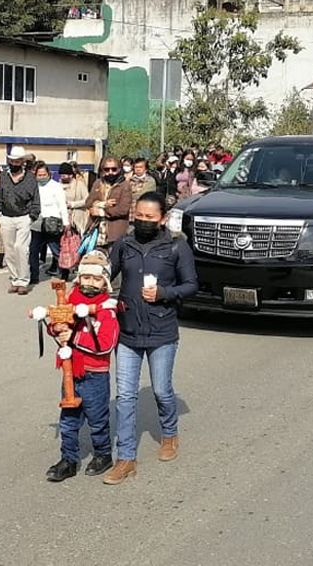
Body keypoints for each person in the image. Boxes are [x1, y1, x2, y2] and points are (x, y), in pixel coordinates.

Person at [103, 192, 198, 485]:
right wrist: (89, 278)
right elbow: (106, 274)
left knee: (161, 390)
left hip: (162, 331)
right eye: (139, 216)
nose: (143, 221)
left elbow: (191, 285)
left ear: (162, 219)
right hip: (128, 331)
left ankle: (169, 434)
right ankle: (126, 458)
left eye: (150, 217)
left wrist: (164, 294)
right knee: (125, 397)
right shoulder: (124, 244)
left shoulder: (177, 246)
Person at [43, 251, 120, 482]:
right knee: (68, 419)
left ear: (105, 282)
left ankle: (103, 454)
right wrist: (55, 328)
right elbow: (58, 326)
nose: (90, 282)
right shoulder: (70, 300)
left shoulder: (107, 310)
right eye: (86, 277)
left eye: (97, 279)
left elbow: (105, 345)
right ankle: (68, 459)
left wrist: (74, 337)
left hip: (95, 374)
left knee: (97, 419)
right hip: (71, 371)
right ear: (79, 278)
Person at [0, 146, 41, 295]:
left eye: (17, 161)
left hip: (24, 217)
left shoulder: (30, 178)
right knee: (9, 250)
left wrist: (32, 216)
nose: (14, 164)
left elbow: (35, 198)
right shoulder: (3, 177)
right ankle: (14, 279)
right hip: (6, 216)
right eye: (12, 161)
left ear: (22, 162)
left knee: (21, 248)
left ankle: (23, 280)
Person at [30, 163, 70, 283]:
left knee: (56, 250)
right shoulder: (33, 186)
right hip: (37, 222)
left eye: (44, 175)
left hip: (52, 222)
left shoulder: (56, 186)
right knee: (33, 250)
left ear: (49, 174)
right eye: (39, 175)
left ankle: (64, 272)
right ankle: (34, 276)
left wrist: (66, 222)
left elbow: (62, 205)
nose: (42, 177)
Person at [85, 156, 132, 251]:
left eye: (114, 169)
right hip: (96, 230)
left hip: (115, 232)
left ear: (119, 169)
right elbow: (88, 203)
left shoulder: (124, 185)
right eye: (107, 169)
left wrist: (102, 212)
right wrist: (102, 204)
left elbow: (123, 209)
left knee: (113, 258)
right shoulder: (98, 183)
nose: (110, 172)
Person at [59, 162, 90, 234]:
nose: (62, 177)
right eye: (61, 175)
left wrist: (73, 204)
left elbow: (87, 200)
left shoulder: (80, 185)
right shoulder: (57, 186)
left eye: (64, 175)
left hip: (77, 221)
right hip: (62, 222)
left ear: (71, 175)